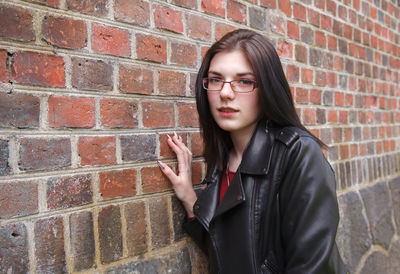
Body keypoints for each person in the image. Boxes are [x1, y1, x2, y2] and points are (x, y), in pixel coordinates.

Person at [157, 29, 346, 274]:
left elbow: (313, 267)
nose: (225, 93)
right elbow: (230, 252)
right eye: (215, 79)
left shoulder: (297, 153)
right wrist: (190, 199)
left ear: (268, 88)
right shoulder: (222, 160)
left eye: (244, 81)